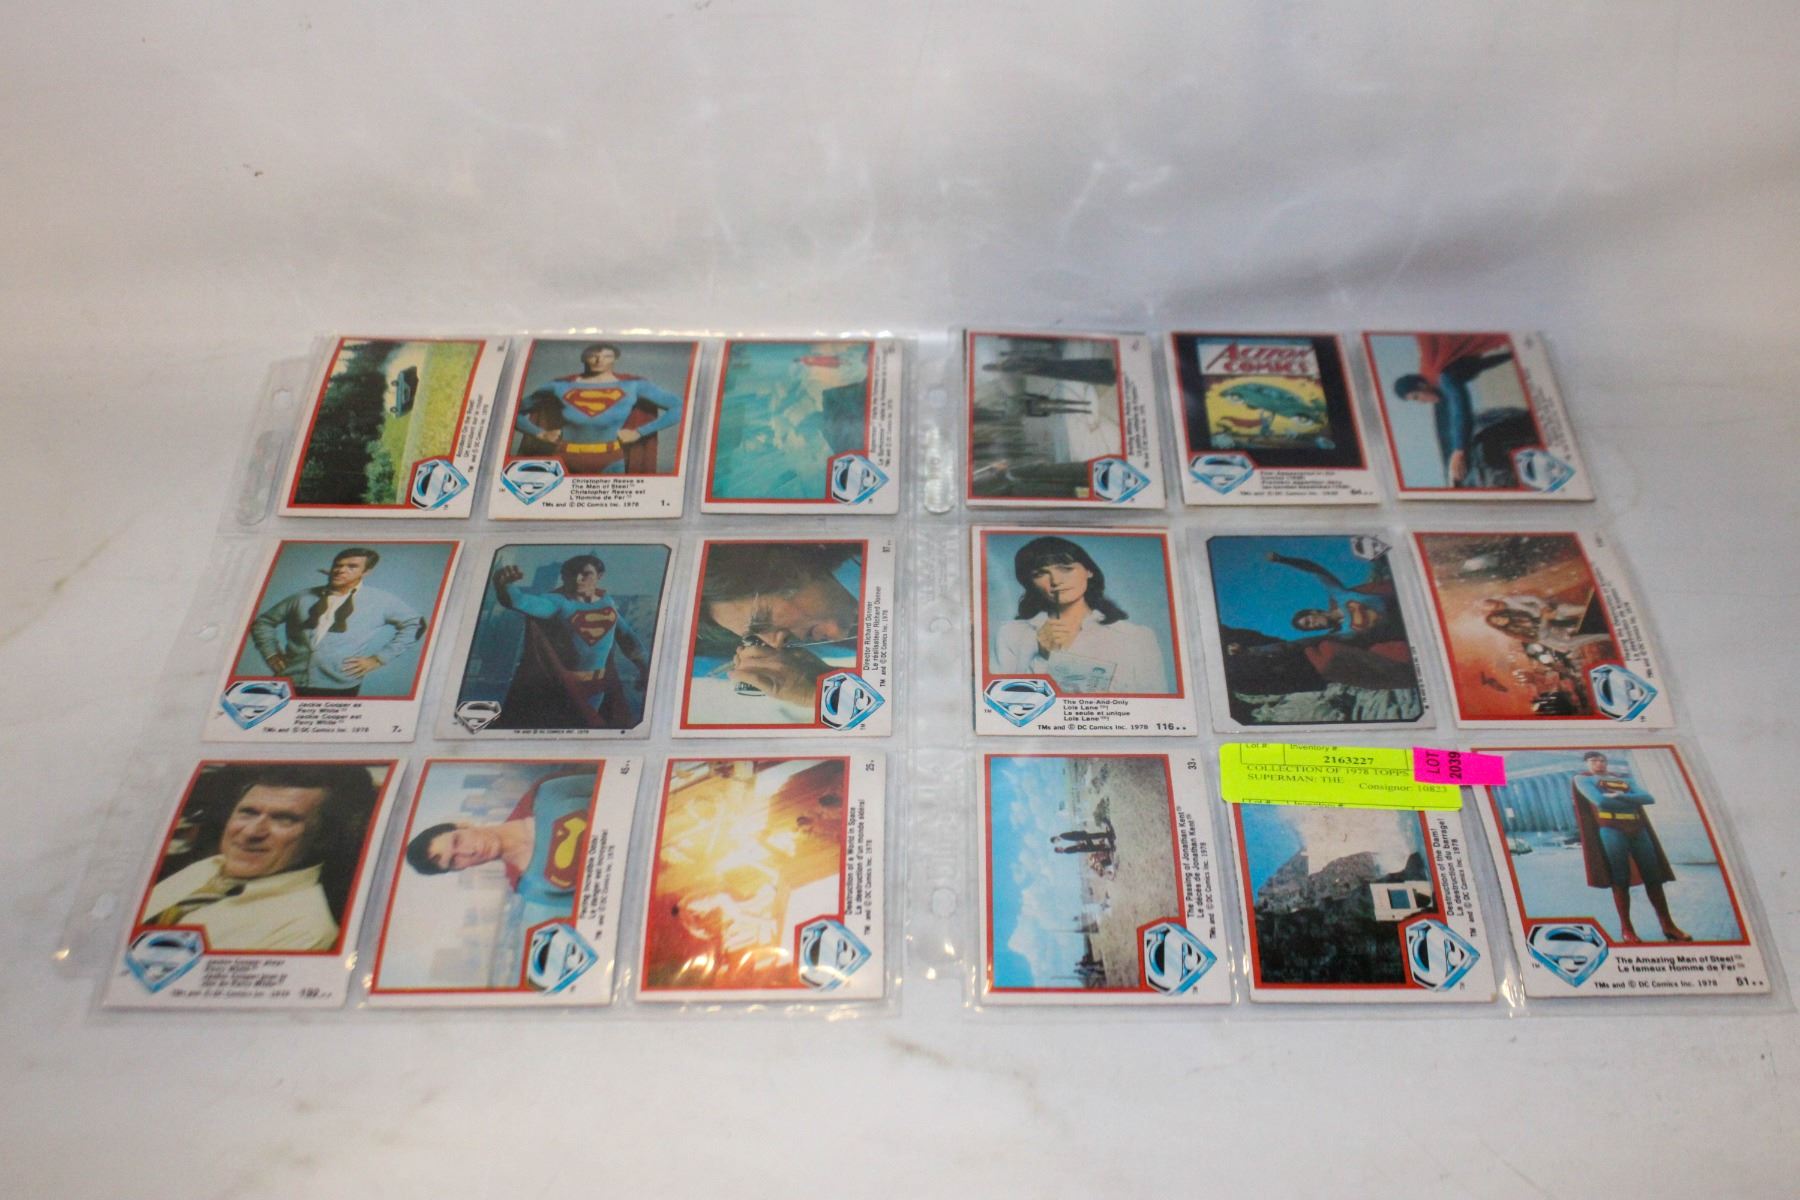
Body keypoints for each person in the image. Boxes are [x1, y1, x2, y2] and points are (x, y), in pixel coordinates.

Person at [142, 764, 377, 951]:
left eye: (284, 819)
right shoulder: (209, 868)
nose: (251, 832)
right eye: (248, 812)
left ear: (323, 837)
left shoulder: (304, 930)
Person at [691, 542, 863, 717]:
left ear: (792, 570)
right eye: (754, 637)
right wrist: (819, 689)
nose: (775, 644)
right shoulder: (833, 647)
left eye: (762, 621)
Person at [488, 554, 651, 730]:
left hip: (598, 687)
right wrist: (505, 585)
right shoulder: (557, 603)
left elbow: (627, 638)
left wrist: (644, 668)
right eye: (572, 573)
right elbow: (520, 602)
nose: (578, 579)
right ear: (564, 577)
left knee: (588, 731)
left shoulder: (607, 602)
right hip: (563, 688)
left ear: (599, 576)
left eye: (586, 573)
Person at [993, 536, 1169, 694]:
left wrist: (1060, 665)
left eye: (1066, 569)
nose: (1056, 581)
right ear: (1030, 583)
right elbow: (1007, 707)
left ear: (1089, 571)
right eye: (1040, 574)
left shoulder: (1136, 637)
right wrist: (1043, 658)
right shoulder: (1011, 634)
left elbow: (1156, 709)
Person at [248, 547, 426, 697]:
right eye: (338, 565)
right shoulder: (302, 597)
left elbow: (416, 624)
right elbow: (263, 622)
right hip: (289, 681)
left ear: (366, 572)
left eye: (352, 567)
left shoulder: (381, 600)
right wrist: (271, 653)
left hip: (340, 686)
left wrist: (379, 659)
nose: (341, 570)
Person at [1391, 333, 1540, 488]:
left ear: (1422, 385)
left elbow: (1460, 409)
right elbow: (1479, 364)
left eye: (1416, 397)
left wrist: (1459, 451)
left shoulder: (1444, 377)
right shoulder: (1437, 374)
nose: (1421, 402)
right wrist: (1512, 355)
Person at [1571, 751, 1690, 943]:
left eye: (1602, 760)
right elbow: (1601, 801)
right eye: (1594, 761)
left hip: (1637, 829)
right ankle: (1627, 929)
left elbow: (1648, 798)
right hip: (1611, 830)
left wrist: (1618, 796)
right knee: (1620, 879)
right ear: (1587, 763)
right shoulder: (1583, 779)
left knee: (1653, 877)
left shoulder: (1622, 779)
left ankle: (1668, 926)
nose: (1599, 764)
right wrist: (1629, 798)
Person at [515, 342, 682, 474]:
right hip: (563, 458)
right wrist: (540, 433)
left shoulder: (633, 385)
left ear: (615, 359)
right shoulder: (559, 386)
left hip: (611, 459)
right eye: (593, 355)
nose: (599, 360)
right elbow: (513, 413)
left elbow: (678, 407)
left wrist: (640, 432)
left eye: (606, 356)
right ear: (583, 358)